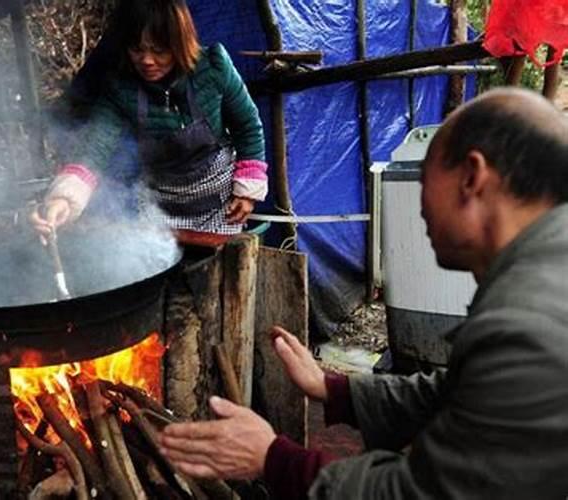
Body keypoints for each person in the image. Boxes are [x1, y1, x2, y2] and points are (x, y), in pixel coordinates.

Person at [158, 88, 568, 499]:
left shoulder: (530, 324)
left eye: (426, 180)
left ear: (472, 178)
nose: (421, 208)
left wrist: (273, 458)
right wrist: (335, 390)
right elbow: (459, 391)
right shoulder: (544, 272)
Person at [31, 0, 268, 237]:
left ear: (179, 43)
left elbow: (247, 126)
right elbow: (96, 147)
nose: (146, 60)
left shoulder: (213, 69)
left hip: (219, 207)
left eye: (159, 50)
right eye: (137, 49)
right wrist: (64, 199)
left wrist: (246, 190)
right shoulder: (121, 87)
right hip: (159, 208)